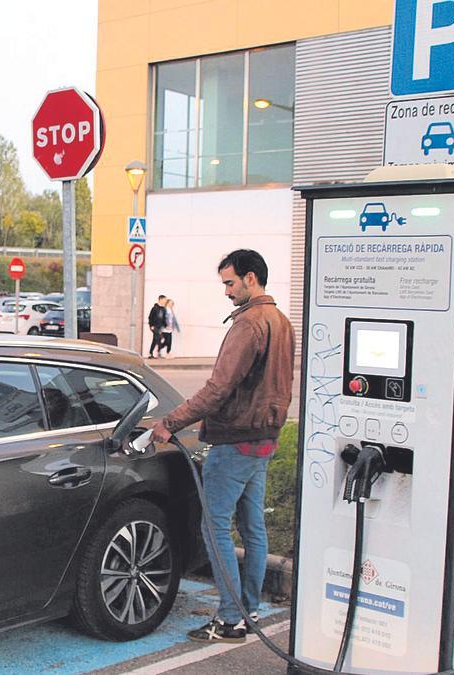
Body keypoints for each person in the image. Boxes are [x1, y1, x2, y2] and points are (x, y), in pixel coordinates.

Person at [151, 249, 296, 644]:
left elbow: (218, 388)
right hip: (264, 439)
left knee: (214, 527)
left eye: (230, 283)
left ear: (251, 278)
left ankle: (230, 618)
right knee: (253, 527)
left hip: (235, 441)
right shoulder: (281, 321)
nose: (227, 292)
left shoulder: (250, 324)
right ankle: (248, 609)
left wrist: (170, 422)